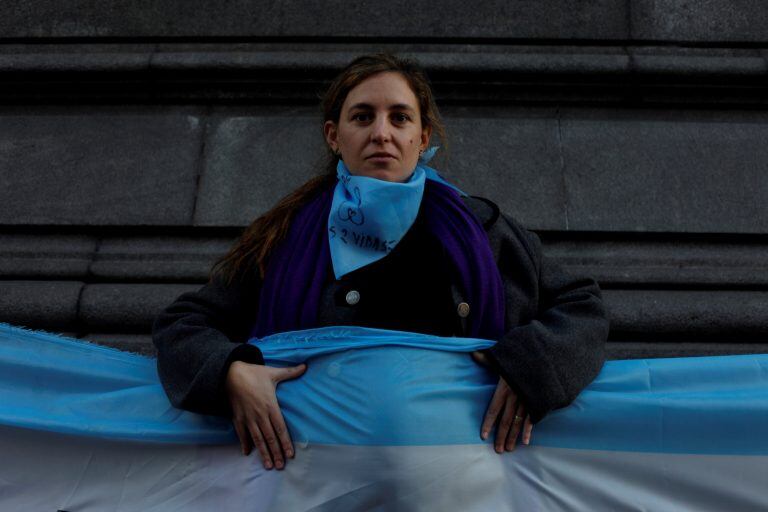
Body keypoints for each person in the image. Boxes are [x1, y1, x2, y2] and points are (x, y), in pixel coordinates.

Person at [152, 53, 610, 472]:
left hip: (460, 479)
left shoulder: (487, 232)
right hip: (312, 481)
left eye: (400, 117)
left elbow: (581, 306)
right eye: (363, 117)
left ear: (422, 136)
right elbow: (183, 323)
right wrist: (229, 372)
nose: (381, 133)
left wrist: (531, 368)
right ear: (335, 135)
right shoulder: (282, 236)